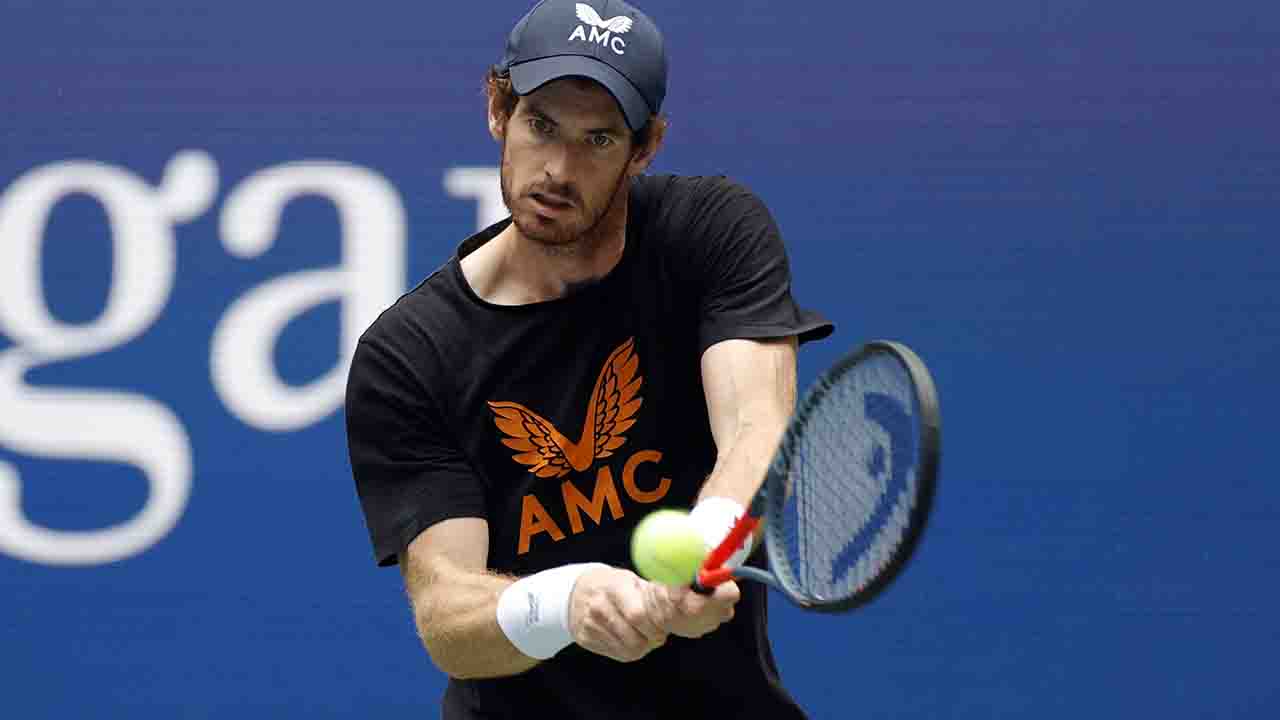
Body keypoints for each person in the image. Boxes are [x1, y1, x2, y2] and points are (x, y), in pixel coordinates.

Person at [345, 0, 833, 717]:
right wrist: (567, 602)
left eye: (597, 139)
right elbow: (447, 615)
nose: (557, 170)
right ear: (498, 110)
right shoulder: (410, 354)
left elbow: (757, 427)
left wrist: (705, 549)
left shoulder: (711, 233)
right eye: (541, 126)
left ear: (645, 147)